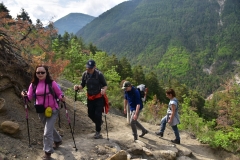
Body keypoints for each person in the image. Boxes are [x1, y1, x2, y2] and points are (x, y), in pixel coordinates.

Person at [21, 64, 64, 160]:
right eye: (38, 72)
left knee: (47, 132)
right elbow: (29, 98)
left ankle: (47, 153)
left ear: (46, 73)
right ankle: (58, 140)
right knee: (49, 128)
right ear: (35, 73)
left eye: (42, 72)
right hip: (41, 111)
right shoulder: (33, 85)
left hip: (52, 110)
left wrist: (62, 97)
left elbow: (59, 93)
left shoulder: (51, 83)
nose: (40, 74)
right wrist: (24, 96)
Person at [74, 59, 107, 139]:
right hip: (90, 97)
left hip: (99, 97)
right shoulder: (85, 75)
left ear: (94, 67)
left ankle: (98, 132)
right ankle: (99, 123)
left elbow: (105, 85)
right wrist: (78, 87)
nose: (89, 69)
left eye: (90, 68)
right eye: (87, 68)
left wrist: (103, 90)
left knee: (98, 115)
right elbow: (82, 85)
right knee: (90, 114)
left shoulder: (99, 75)